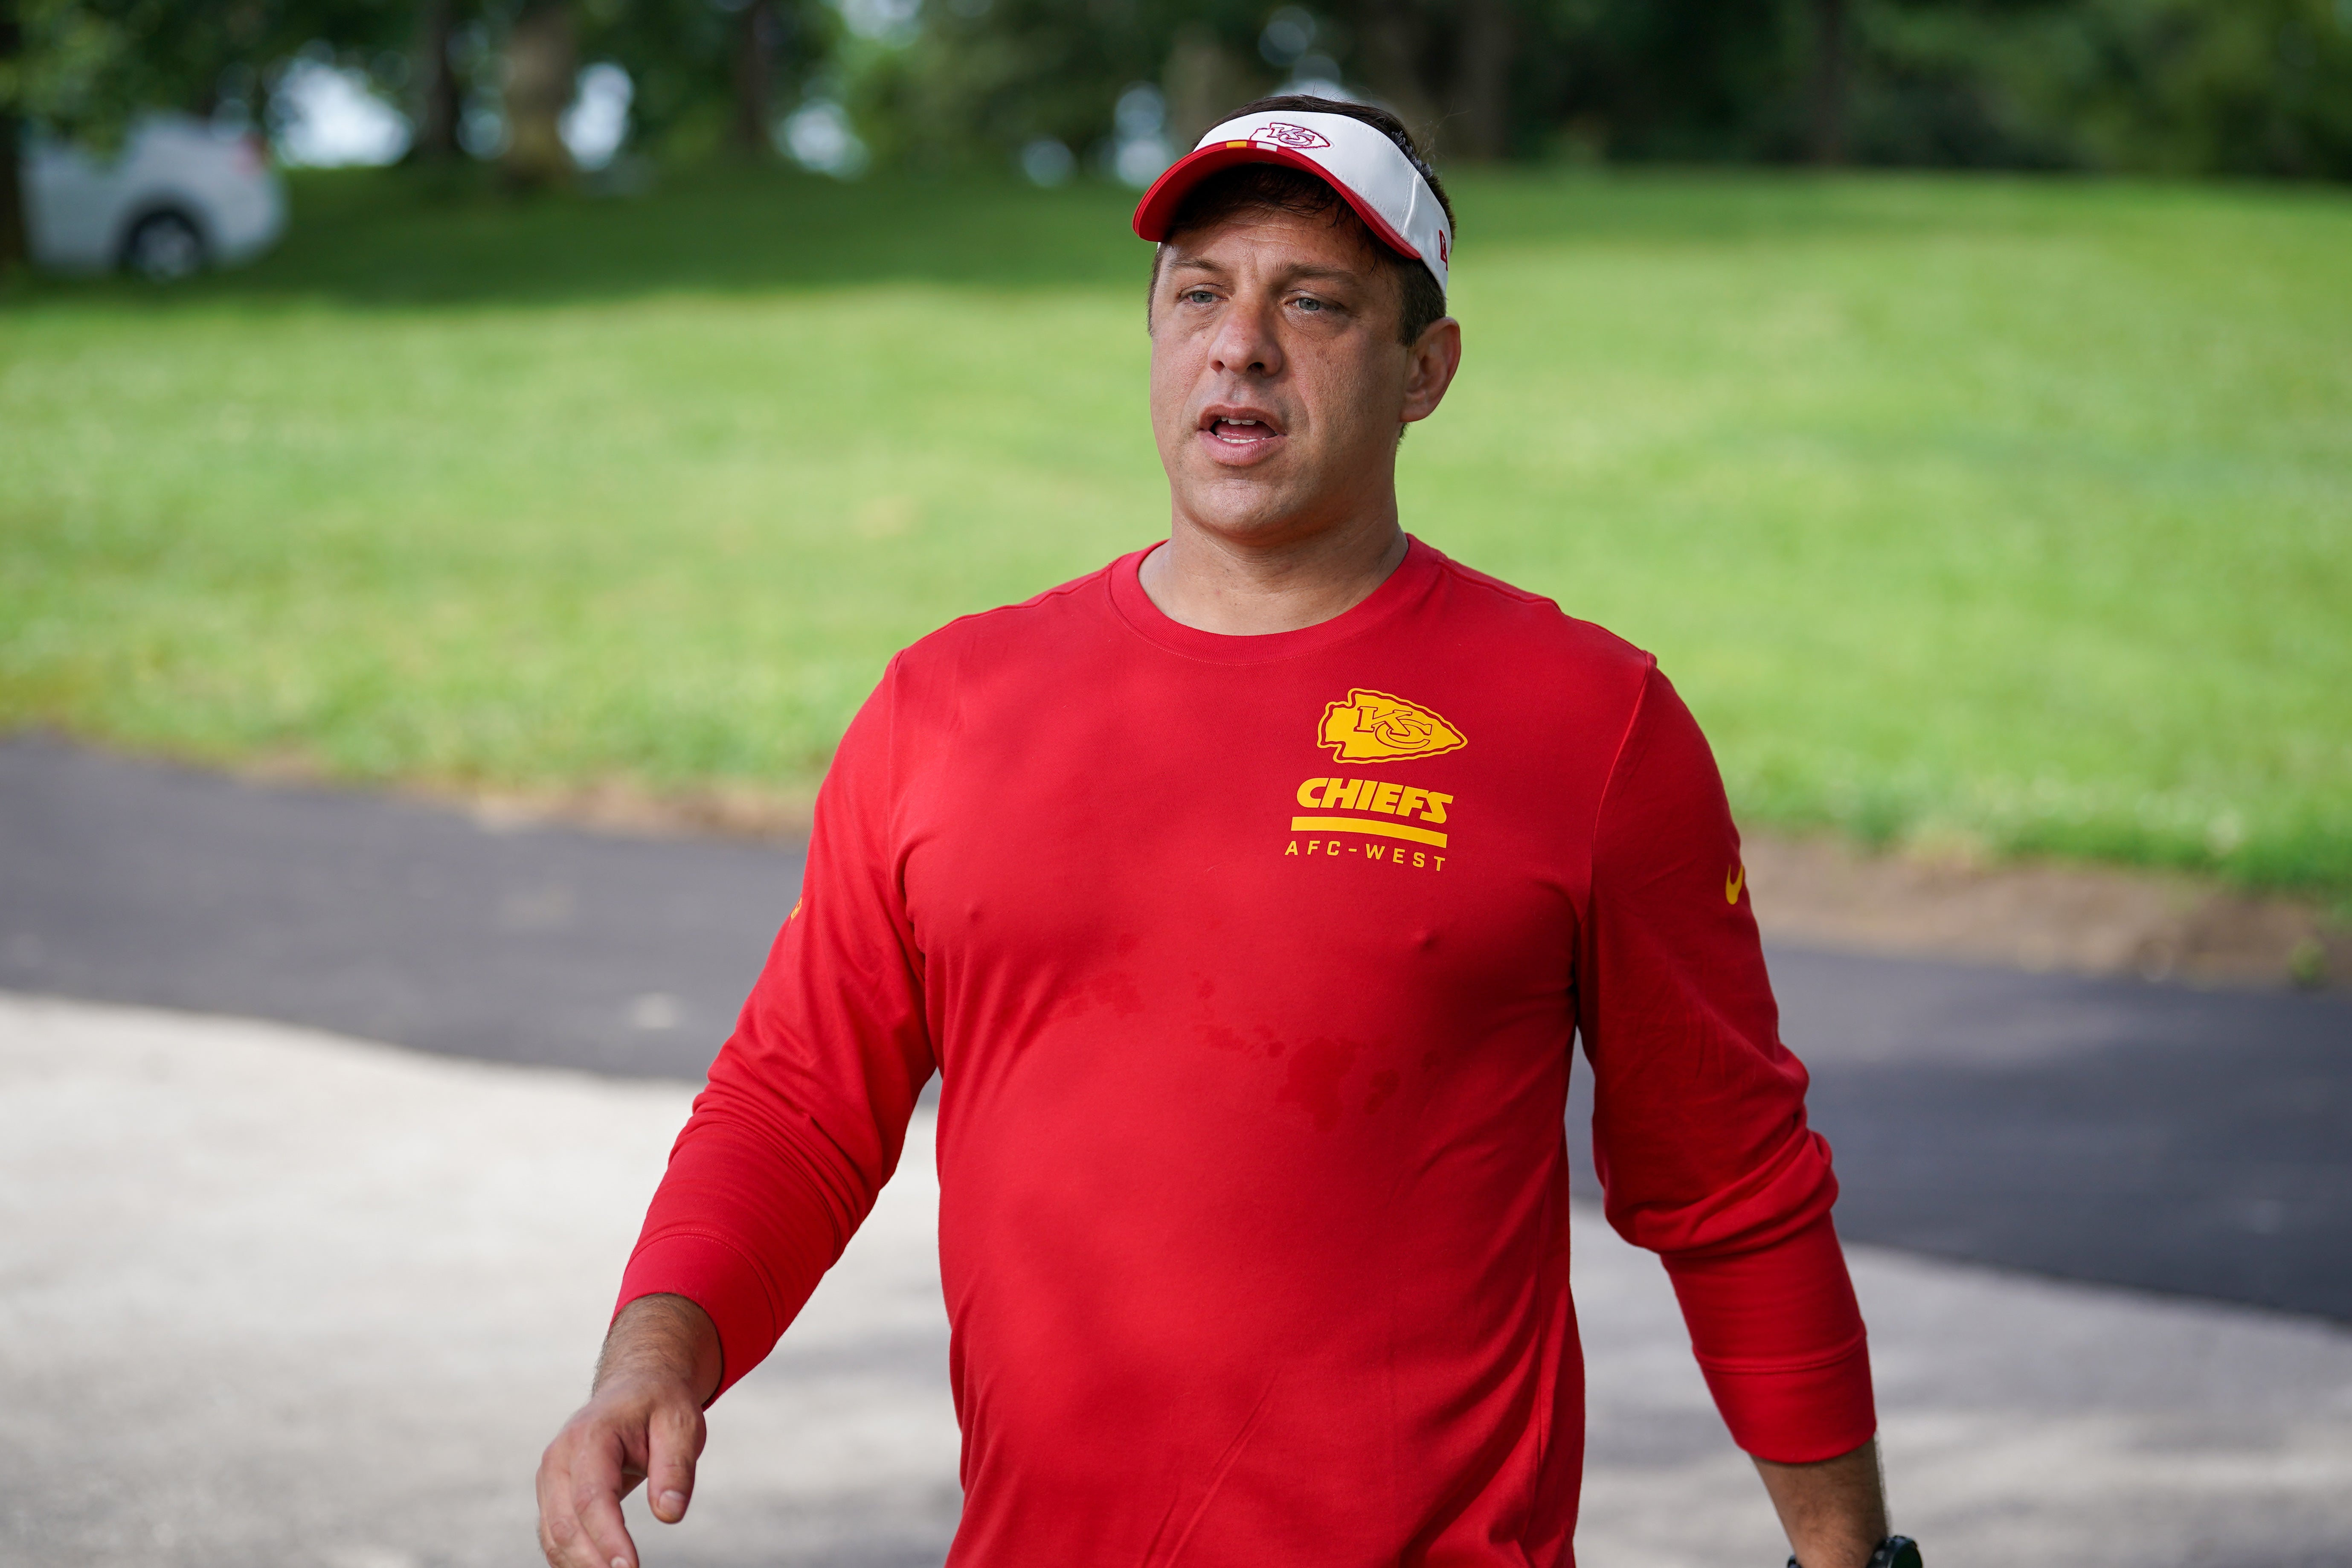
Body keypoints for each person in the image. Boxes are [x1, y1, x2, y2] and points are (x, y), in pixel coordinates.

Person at [537, 96, 1916, 1568]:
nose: (1239, 342)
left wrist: (1849, 1557)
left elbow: (1731, 1188)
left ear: (1424, 371)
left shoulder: (1589, 723)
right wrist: (655, 1356)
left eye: (1312, 302)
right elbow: (798, 1104)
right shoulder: (949, 705)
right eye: (1198, 293)